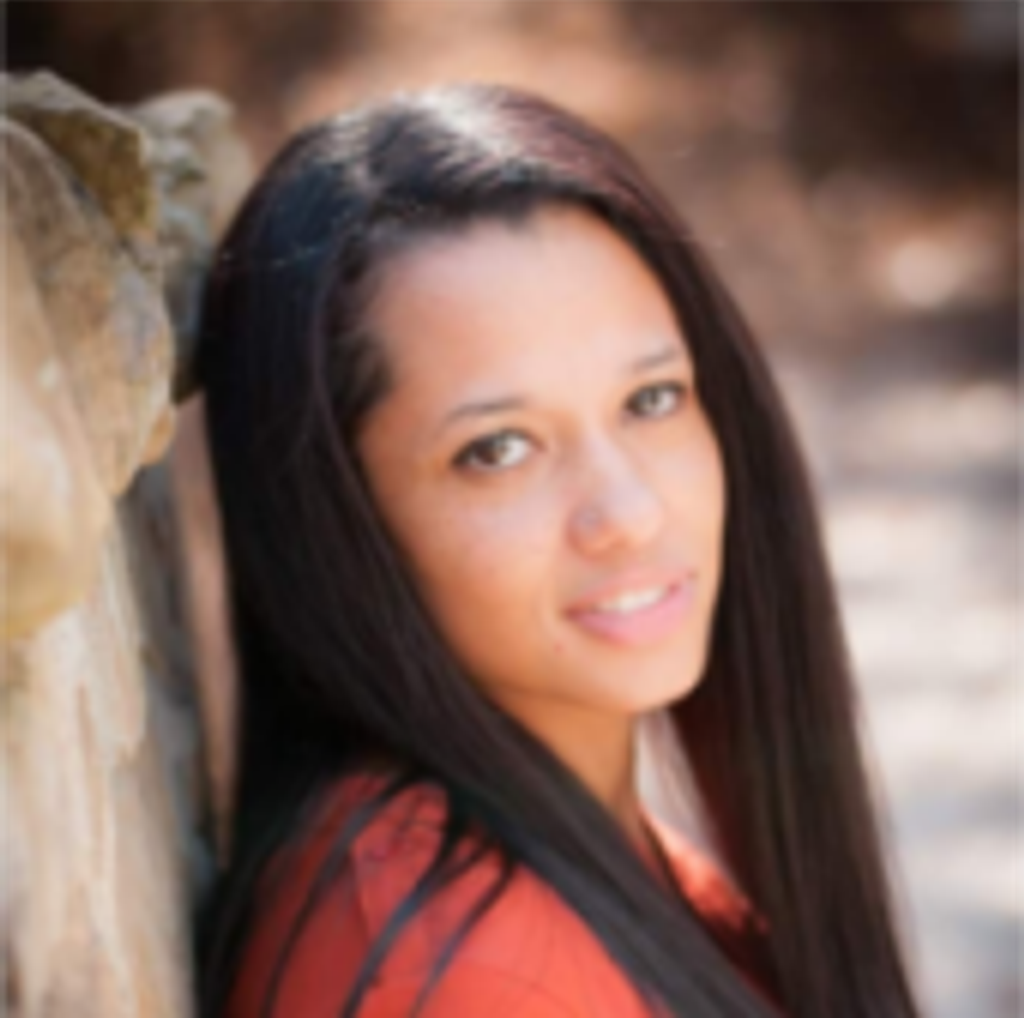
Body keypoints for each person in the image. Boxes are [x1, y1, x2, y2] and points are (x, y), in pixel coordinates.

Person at [194, 84, 920, 1018]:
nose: (629, 512)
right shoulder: (465, 969)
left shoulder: (584, 859)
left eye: (651, 400)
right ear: (336, 521)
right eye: (498, 449)